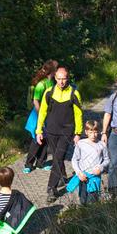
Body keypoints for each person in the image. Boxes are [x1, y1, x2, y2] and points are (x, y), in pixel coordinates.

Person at [35, 66, 83, 203]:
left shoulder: (74, 93)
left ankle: (51, 188)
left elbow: (78, 114)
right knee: (57, 158)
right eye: (59, 79)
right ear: (55, 78)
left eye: (64, 79)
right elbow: (42, 112)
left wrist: (78, 133)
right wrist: (39, 130)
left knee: (57, 158)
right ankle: (62, 177)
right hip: (51, 131)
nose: (61, 82)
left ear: (68, 78)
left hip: (66, 132)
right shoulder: (49, 92)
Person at [23, 59, 58, 173]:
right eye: (57, 69)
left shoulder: (52, 82)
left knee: (46, 139)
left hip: (48, 116)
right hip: (38, 116)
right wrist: (40, 115)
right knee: (36, 140)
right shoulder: (41, 84)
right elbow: (35, 101)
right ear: (53, 70)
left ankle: (40, 163)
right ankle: (28, 164)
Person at [66, 120, 109, 204]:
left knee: (93, 201)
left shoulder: (102, 145)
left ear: (98, 132)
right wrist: (79, 173)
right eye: (90, 132)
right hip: (83, 176)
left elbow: (107, 159)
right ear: (86, 132)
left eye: (95, 132)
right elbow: (74, 159)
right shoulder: (80, 144)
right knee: (82, 199)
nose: (93, 135)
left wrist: (101, 168)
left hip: (95, 178)